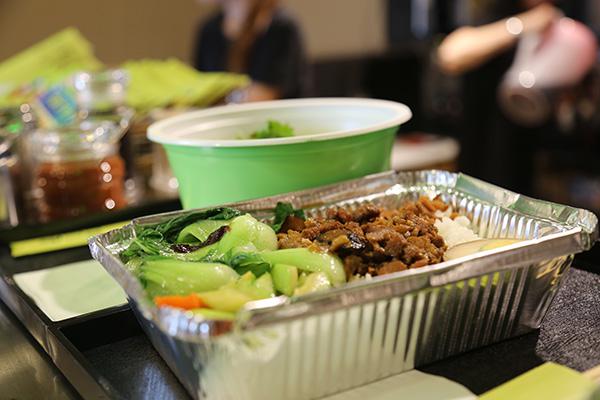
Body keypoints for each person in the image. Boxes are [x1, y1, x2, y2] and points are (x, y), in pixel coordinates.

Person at [436, 1, 563, 195]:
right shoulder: (500, 16)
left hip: (531, 164)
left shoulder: (558, 25)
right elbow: (450, 54)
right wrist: (524, 24)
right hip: (485, 163)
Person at [193, 0, 309, 102]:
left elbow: (263, 97)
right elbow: (198, 90)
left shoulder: (281, 27)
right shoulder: (209, 30)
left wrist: (220, 98)